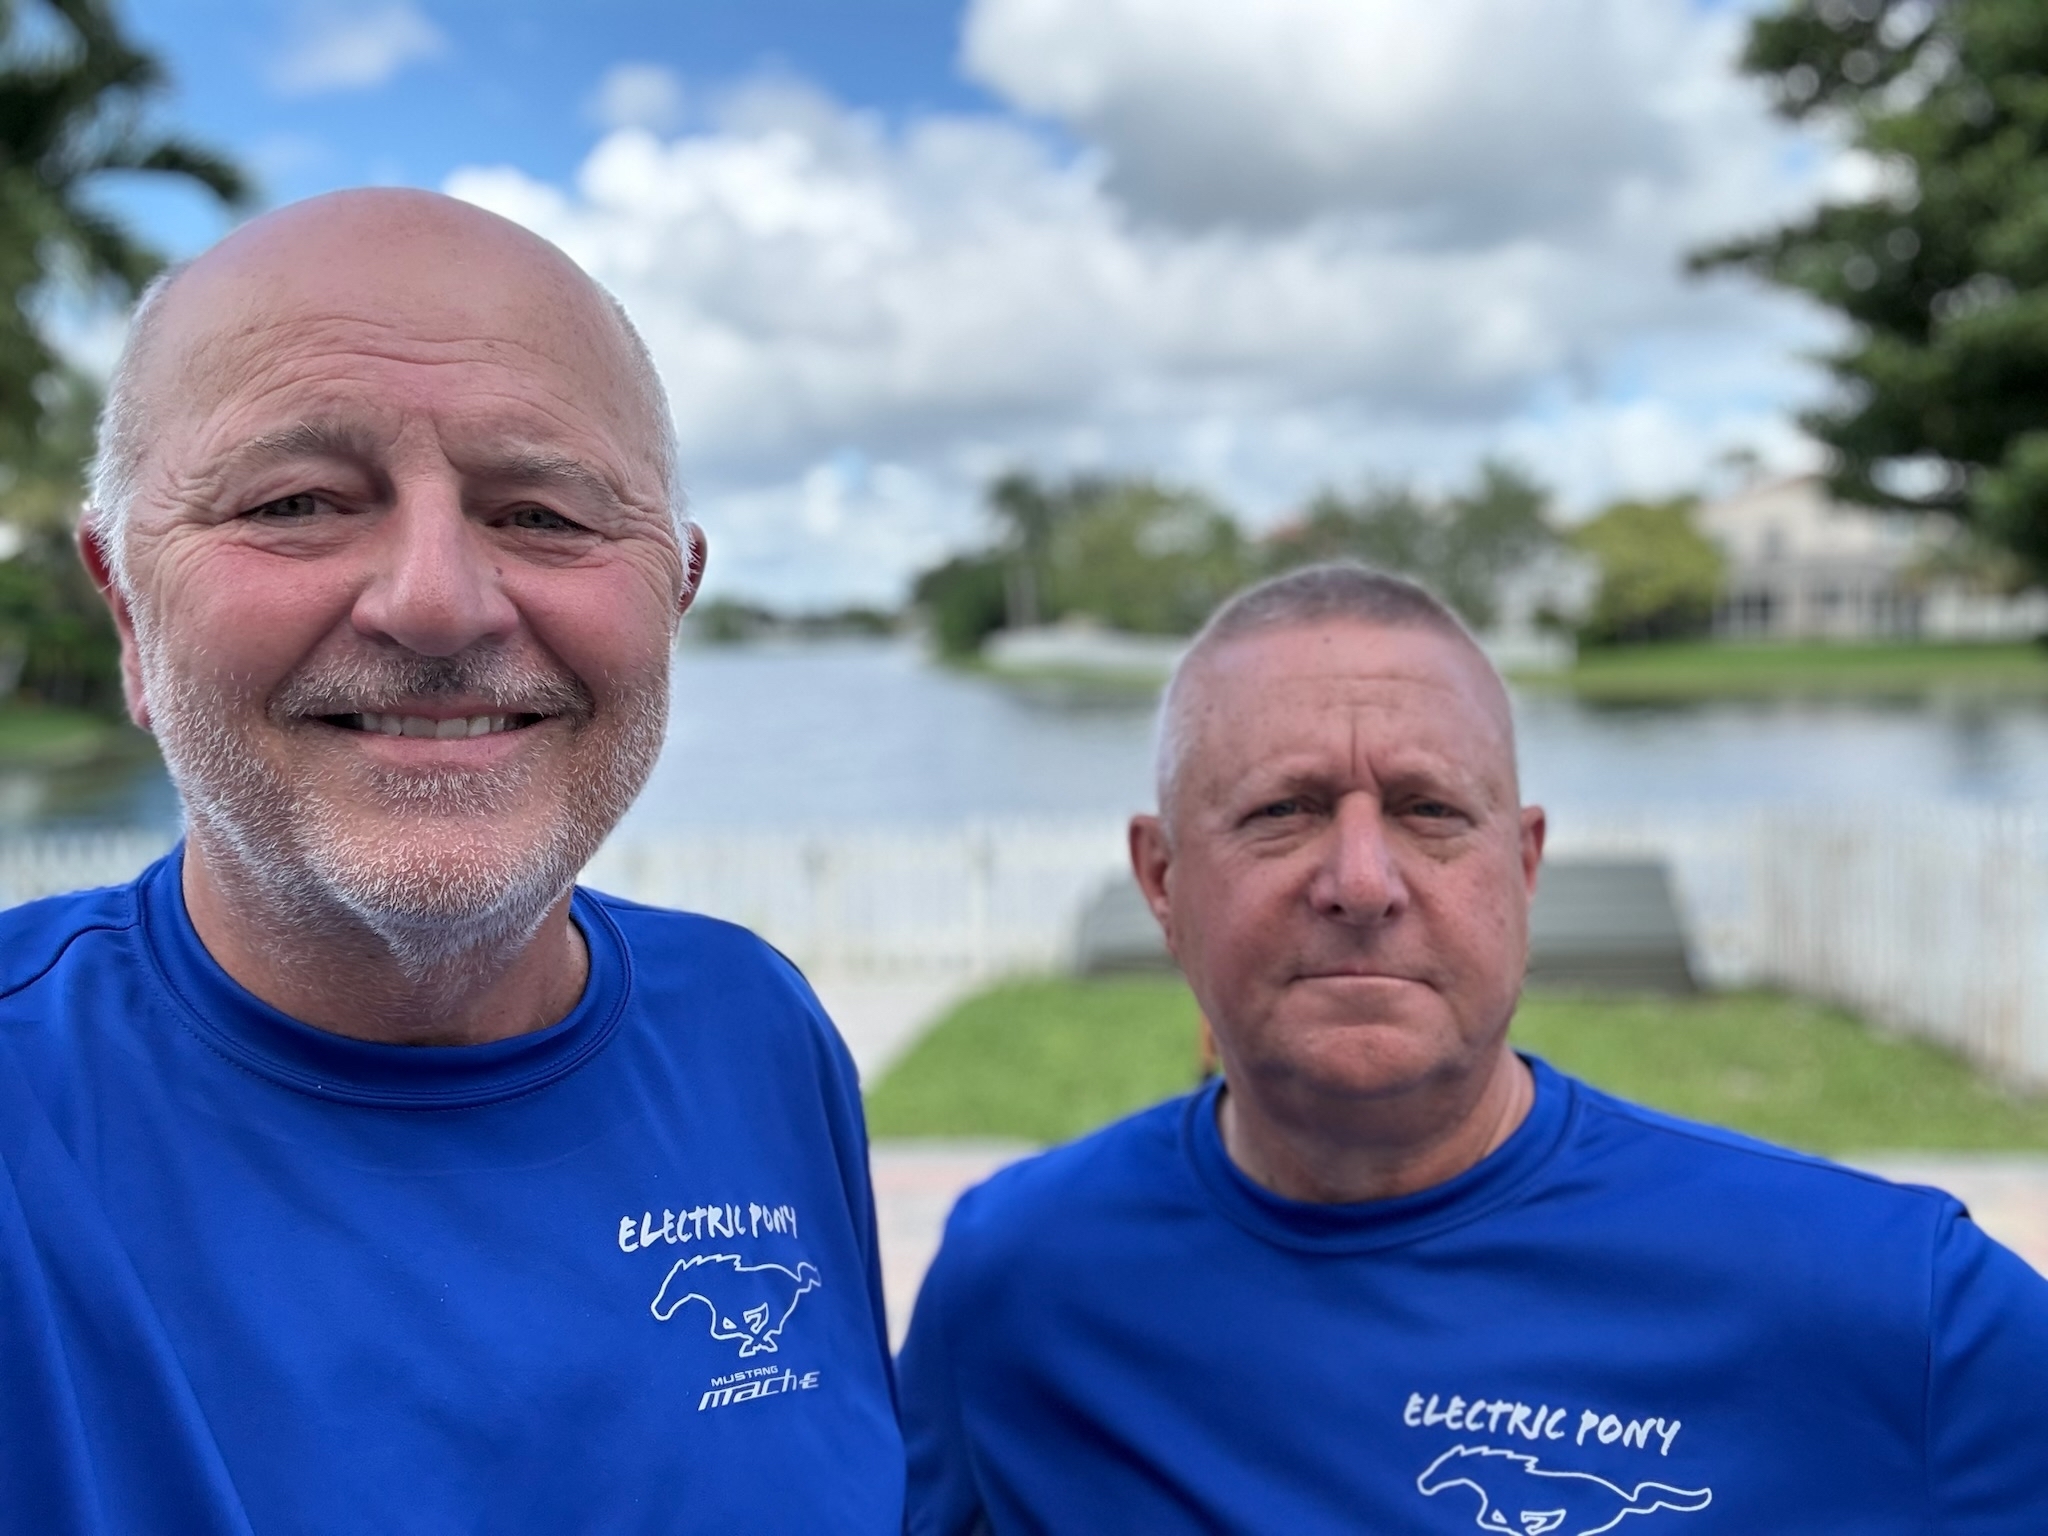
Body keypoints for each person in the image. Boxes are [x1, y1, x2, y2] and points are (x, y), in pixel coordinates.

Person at [0, 189, 902, 1533]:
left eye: (542, 514)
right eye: (297, 500)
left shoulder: (757, 1027)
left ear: (676, 594)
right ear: (129, 606)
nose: (436, 600)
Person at [898, 562, 2048, 1534]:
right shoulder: (1017, 1282)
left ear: (1523, 865)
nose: (1359, 883)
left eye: (1428, 810)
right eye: (1280, 810)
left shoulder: (1903, 1310)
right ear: (1160, 880)